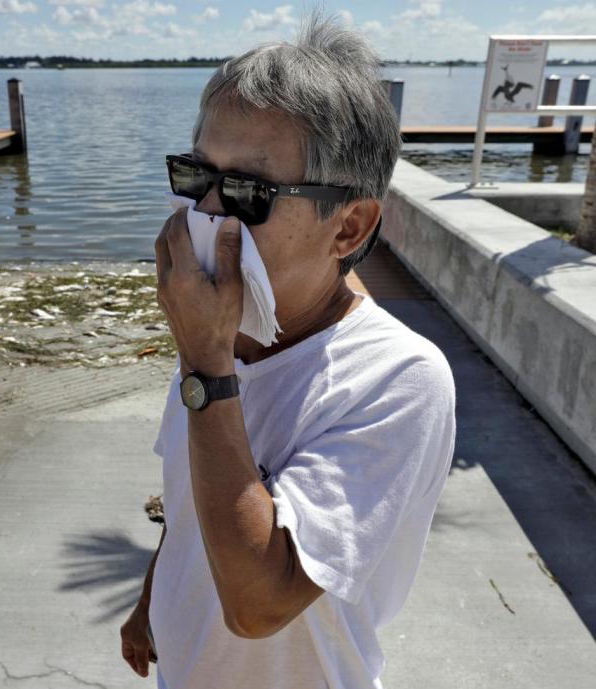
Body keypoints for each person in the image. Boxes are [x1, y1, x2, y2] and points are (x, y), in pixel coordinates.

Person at [120, 11, 456, 689]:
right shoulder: (225, 331)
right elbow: (187, 494)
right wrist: (153, 596)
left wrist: (205, 365)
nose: (210, 211)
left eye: (249, 192)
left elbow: (260, 602)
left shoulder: (399, 379)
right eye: (196, 176)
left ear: (349, 225)